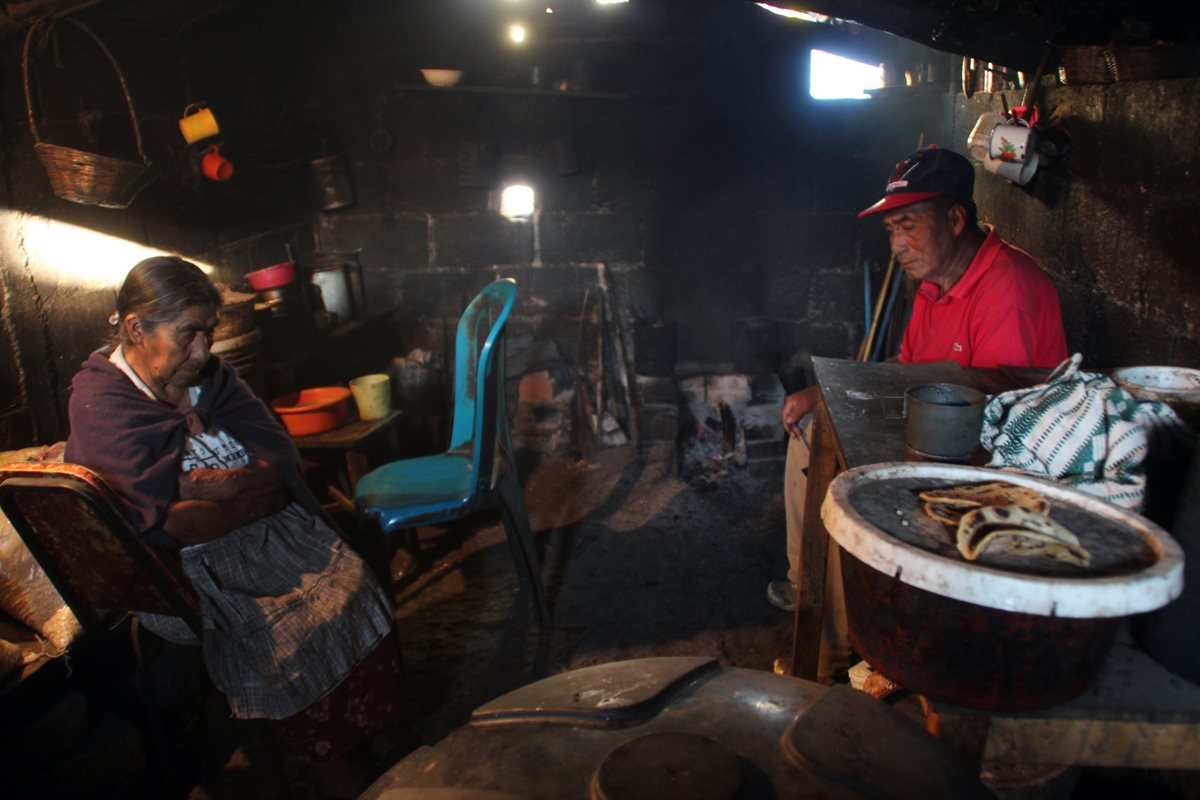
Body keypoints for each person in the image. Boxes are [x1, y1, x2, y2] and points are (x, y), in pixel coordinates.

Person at [64, 256, 404, 797]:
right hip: (183, 574)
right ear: (136, 329)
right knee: (288, 631)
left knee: (354, 585)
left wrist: (231, 490)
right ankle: (329, 761)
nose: (202, 352)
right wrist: (252, 493)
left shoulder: (212, 380)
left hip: (264, 533)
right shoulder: (104, 403)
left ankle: (368, 731)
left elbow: (278, 457)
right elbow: (160, 525)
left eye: (208, 333)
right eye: (187, 335)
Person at [766, 146, 1068, 680]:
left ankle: (834, 652)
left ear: (954, 218)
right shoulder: (935, 280)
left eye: (908, 226)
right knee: (810, 431)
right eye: (890, 230)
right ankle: (809, 592)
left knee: (847, 483)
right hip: (936, 432)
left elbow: (1007, 416)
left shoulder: (1008, 289)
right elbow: (907, 364)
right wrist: (824, 394)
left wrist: (881, 453)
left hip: (995, 463)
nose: (897, 245)